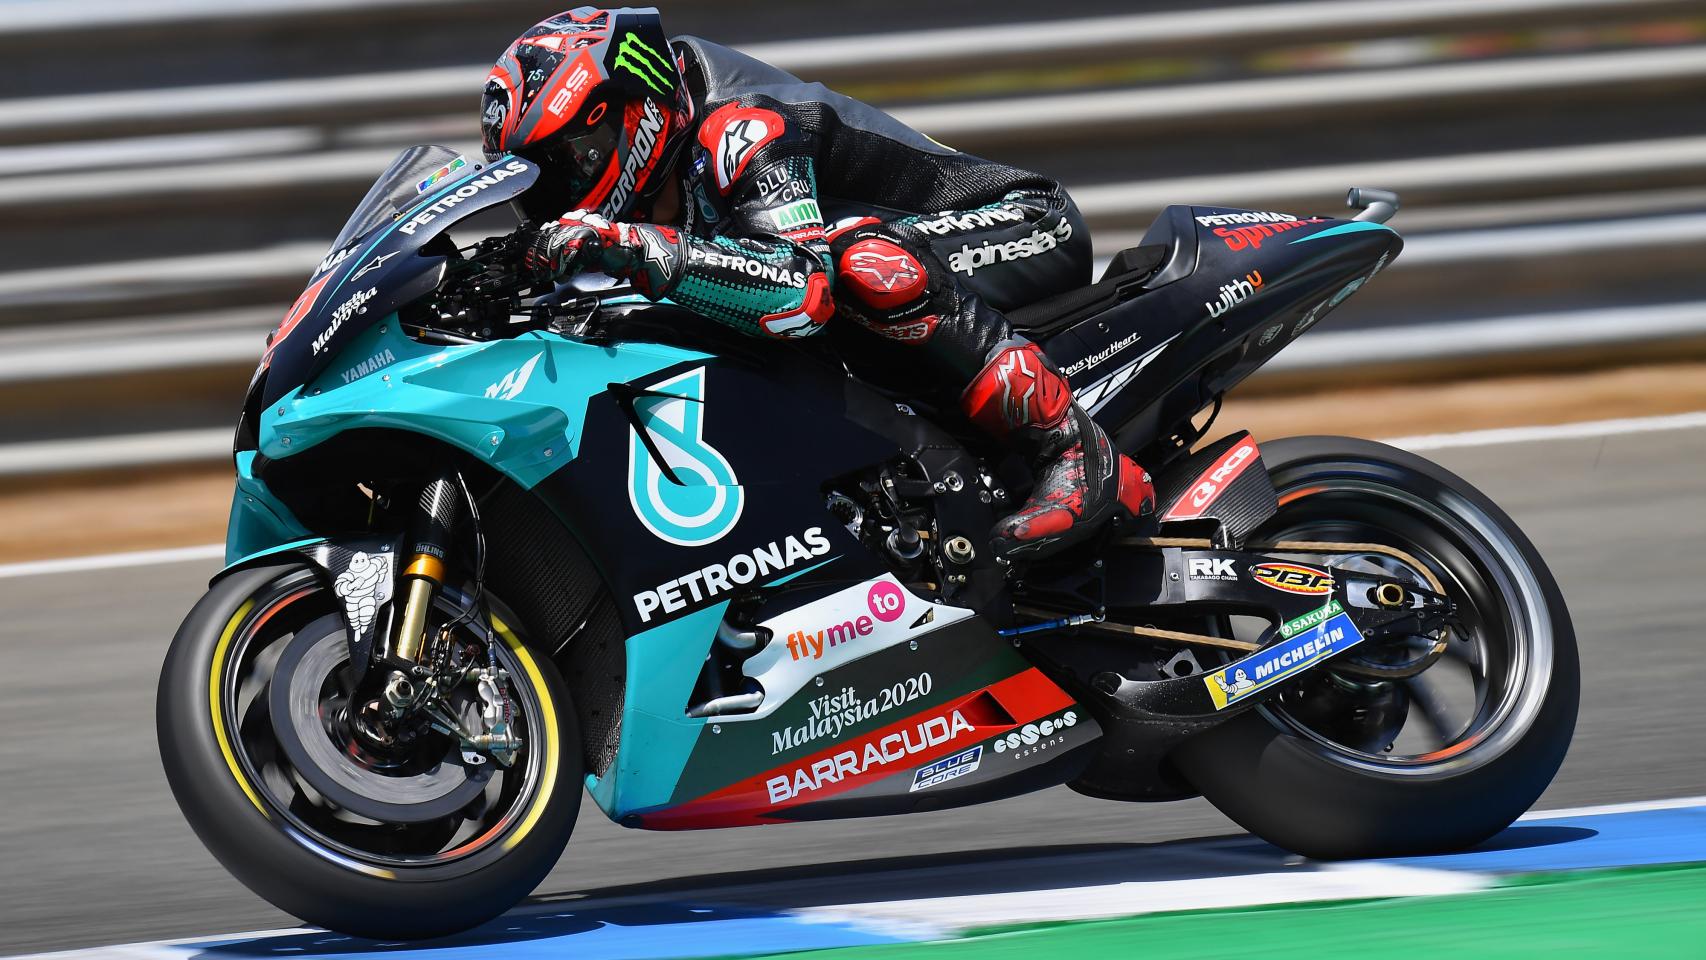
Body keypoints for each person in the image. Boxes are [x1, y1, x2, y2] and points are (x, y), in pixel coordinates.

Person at [481, 6, 1155, 561]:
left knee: (861, 263)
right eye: (536, 185)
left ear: (631, 110)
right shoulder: (665, 156)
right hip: (914, 281)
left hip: (1022, 223)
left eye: (568, 165)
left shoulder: (743, 124)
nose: (559, 198)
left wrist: (631, 246)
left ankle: (1072, 446)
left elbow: (797, 292)